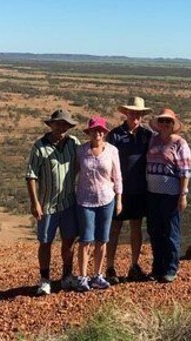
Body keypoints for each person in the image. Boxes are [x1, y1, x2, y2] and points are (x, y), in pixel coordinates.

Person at [26, 109, 80, 295]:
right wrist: (35, 203)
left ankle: (67, 275)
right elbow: (31, 176)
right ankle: (45, 279)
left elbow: (84, 166)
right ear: (51, 125)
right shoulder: (39, 146)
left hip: (69, 202)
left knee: (69, 240)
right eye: (58, 123)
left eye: (65, 124)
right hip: (47, 204)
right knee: (46, 242)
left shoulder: (74, 144)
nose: (61, 127)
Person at [105, 96, 155, 284]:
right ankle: (110, 267)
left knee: (136, 226)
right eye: (132, 112)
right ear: (126, 113)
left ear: (142, 115)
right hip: (119, 190)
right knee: (115, 227)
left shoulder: (147, 135)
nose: (135, 116)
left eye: (138, 113)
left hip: (140, 189)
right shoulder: (116, 135)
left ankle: (134, 265)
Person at [74, 116, 123, 292]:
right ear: (89, 132)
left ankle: (97, 275)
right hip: (85, 200)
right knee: (86, 240)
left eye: (101, 130)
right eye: (95, 130)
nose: (98, 133)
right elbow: (73, 172)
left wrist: (119, 199)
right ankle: (82, 277)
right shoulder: (80, 150)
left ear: (105, 132)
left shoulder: (112, 151)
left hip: (106, 199)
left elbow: (117, 176)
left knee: (102, 239)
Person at [146, 108, 191, 283]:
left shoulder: (180, 143)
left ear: (174, 124)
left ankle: (171, 268)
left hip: (171, 195)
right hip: (152, 194)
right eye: (162, 121)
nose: (165, 124)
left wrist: (183, 195)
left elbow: (185, 171)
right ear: (158, 124)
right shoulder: (153, 140)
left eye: (169, 121)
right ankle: (157, 268)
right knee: (155, 231)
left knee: (171, 232)